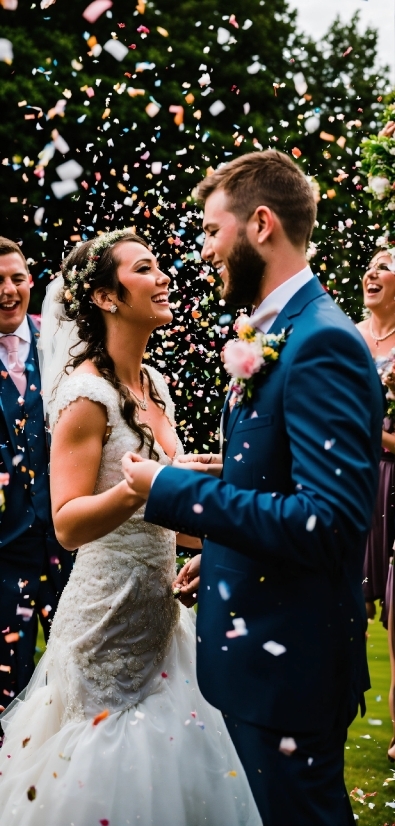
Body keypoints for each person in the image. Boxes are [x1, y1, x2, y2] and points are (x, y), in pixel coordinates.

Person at [122, 150, 384, 826]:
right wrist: (223, 556)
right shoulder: (279, 331)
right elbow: (284, 487)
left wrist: (173, 490)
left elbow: (326, 524)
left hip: (288, 669)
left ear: (260, 224)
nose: (203, 250)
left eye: (213, 231)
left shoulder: (320, 342)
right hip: (263, 654)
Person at [0, 229, 261, 826]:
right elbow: (67, 525)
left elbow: (164, 515)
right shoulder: (87, 396)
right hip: (106, 620)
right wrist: (141, 486)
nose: (164, 277)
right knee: (103, 765)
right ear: (107, 298)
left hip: (162, 613)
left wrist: (214, 529)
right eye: (145, 269)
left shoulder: (155, 385)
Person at [0, 236, 73, 711]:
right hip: (3, 558)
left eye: (16, 278)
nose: (7, 290)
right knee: (6, 695)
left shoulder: (60, 342)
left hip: (72, 546)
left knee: (81, 687)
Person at [357, 246, 395, 762]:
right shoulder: (345, 338)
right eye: (372, 263)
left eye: (386, 265)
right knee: (346, 599)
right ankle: (329, 704)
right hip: (355, 481)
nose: (373, 270)